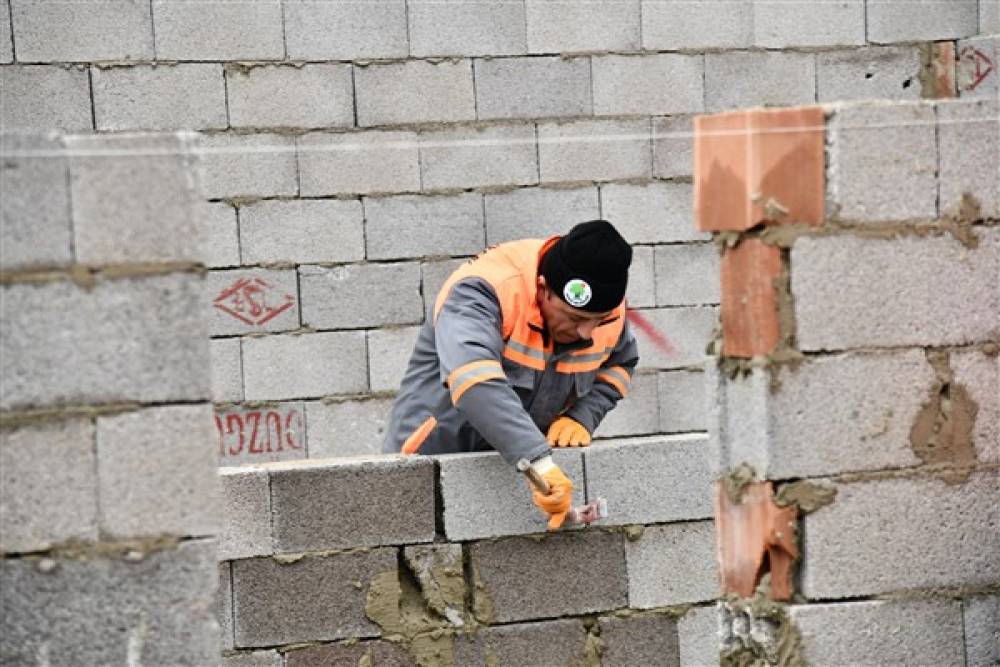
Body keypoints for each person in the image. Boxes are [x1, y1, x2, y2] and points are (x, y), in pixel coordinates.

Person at [383, 219, 639, 530]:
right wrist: (540, 463)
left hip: (516, 471)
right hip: (429, 465)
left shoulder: (608, 313)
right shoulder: (483, 290)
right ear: (543, 289)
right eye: (575, 318)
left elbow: (620, 365)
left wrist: (584, 415)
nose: (587, 332)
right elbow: (476, 382)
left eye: (598, 321)